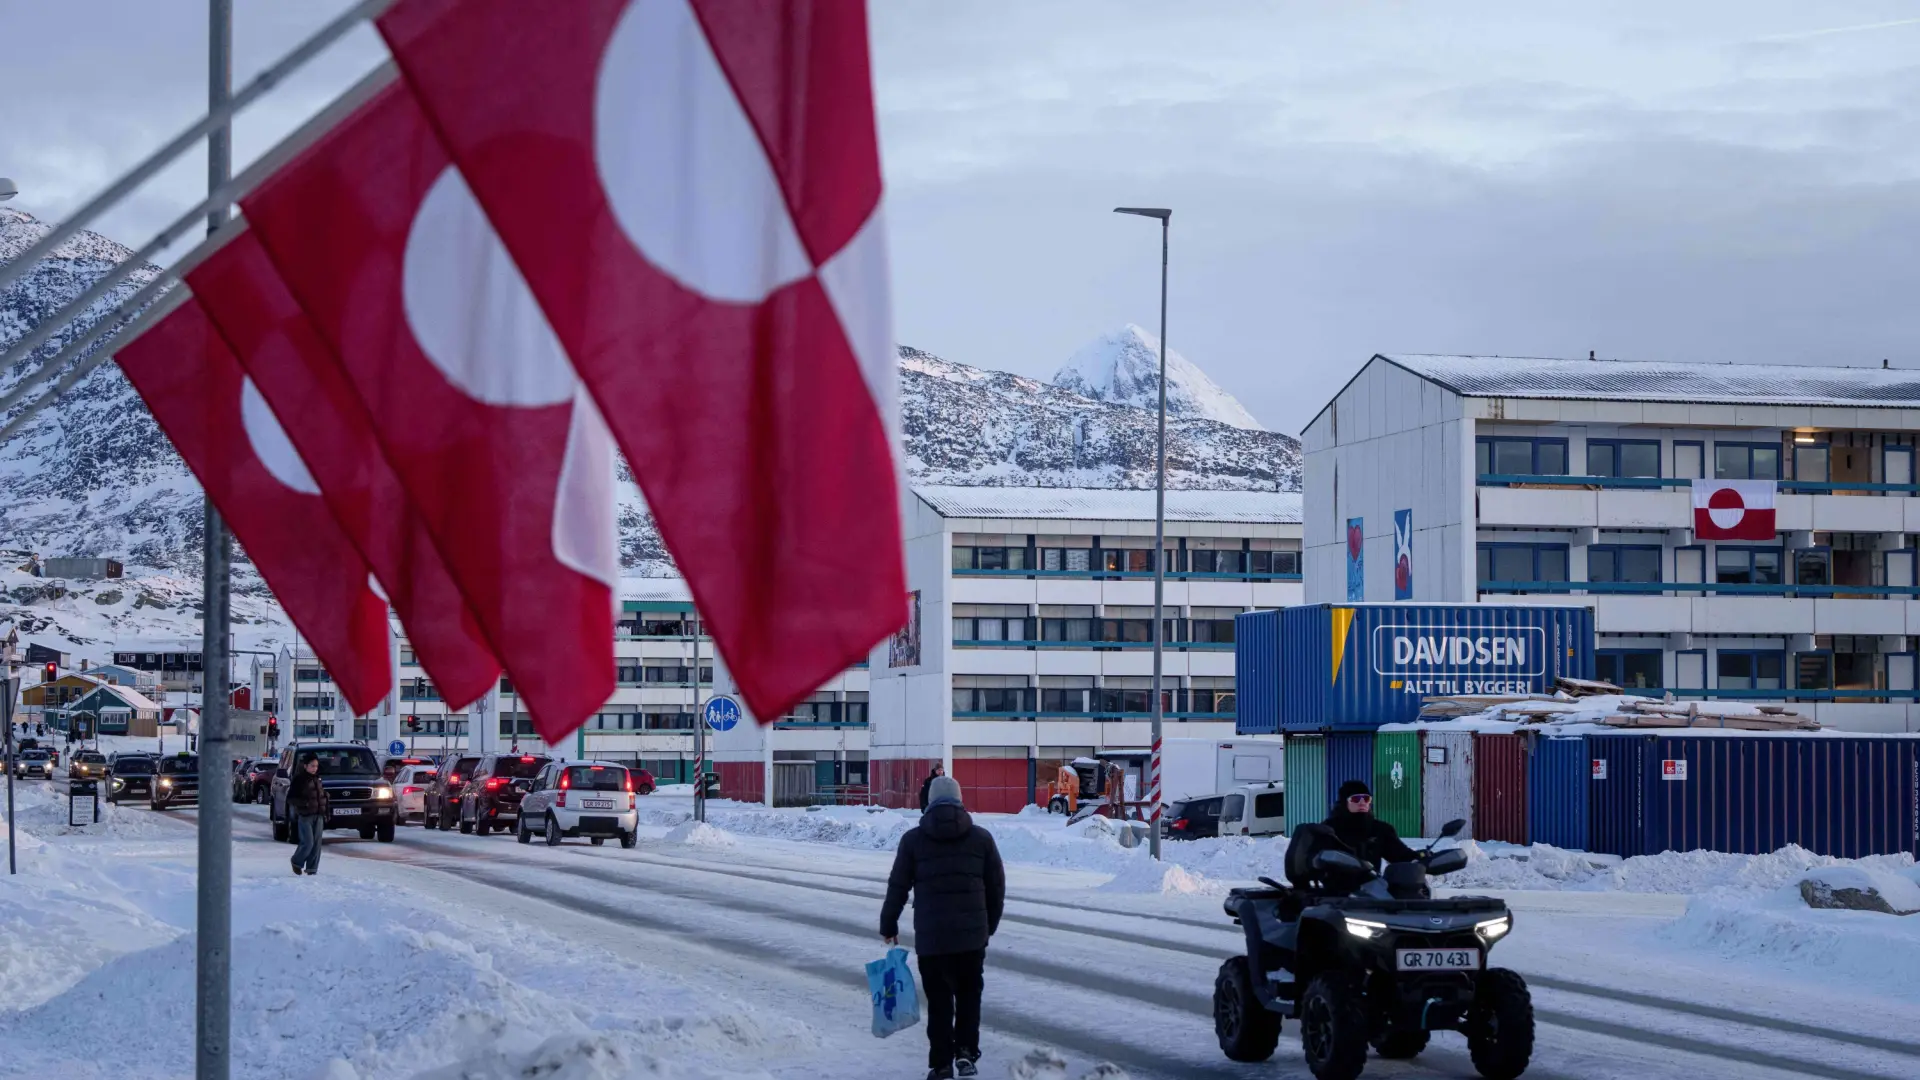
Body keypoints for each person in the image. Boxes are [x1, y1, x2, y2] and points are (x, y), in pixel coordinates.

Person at [881, 775, 1005, 1080]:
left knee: (938, 1002)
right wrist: (987, 926)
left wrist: (889, 922)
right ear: (960, 801)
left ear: (929, 802)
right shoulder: (981, 839)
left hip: (932, 938)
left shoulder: (913, 841)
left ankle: (940, 1065)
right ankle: (965, 1052)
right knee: (968, 995)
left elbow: (898, 885)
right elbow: (996, 887)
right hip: (971, 938)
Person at [1323, 779, 1417, 872]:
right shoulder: (1329, 828)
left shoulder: (1380, 829)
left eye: (1366, 798)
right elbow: (1314, 858)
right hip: (1336, 886)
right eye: (1356, 799)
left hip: (1372, 884)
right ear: (1344, 802)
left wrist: (1420, 857)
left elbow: (1400, 855)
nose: (1362, 802)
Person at [289, 755, 329, 876]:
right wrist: (304, 803)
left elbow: (322, 798)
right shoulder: (299, 779)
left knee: (317, 844)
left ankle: (312, 869)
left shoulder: (318, 779)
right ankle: (296, 861)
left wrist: (326, 812)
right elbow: (291, 798)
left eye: (316, 766)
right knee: (308, 842)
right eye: (312, 766)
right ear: (305, 766)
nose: (314, 768)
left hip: (319, 815)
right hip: (305, 816)